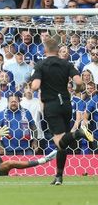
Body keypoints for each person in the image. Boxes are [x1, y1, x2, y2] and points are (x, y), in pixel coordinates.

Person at [31, 38, 94, 185]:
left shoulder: (41, 65)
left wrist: (34, 81)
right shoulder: (67, 64)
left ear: (45, 50)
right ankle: (59, 176)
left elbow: (35, 86)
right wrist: (77, 91)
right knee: (63, 142)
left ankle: (79, 133)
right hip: (66, 104)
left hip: (51, 104)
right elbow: (78, 82)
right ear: (58, 50)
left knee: (59, 141)